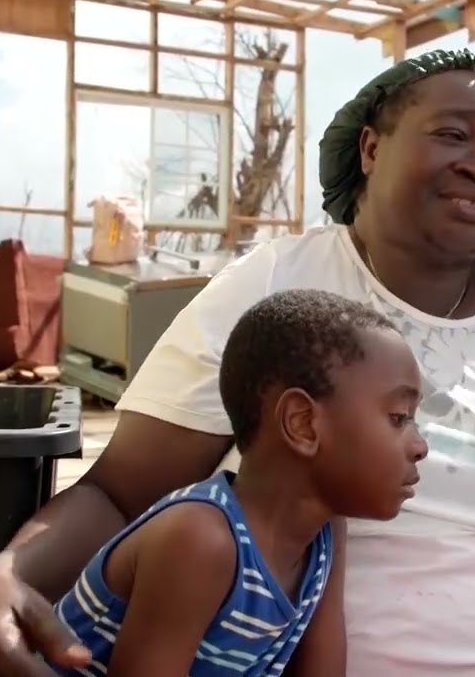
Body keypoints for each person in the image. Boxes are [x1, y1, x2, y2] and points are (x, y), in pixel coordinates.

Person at [0, 49, 475, 677]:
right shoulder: (278, 283)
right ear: (371, 147)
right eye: (451, 134)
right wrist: (2, 580)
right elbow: (120, 489)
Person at [45, 289, 428, 676]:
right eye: (398, 417)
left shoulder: (325, 535)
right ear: (303, 423)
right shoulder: (200, 539)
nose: (420, 446)